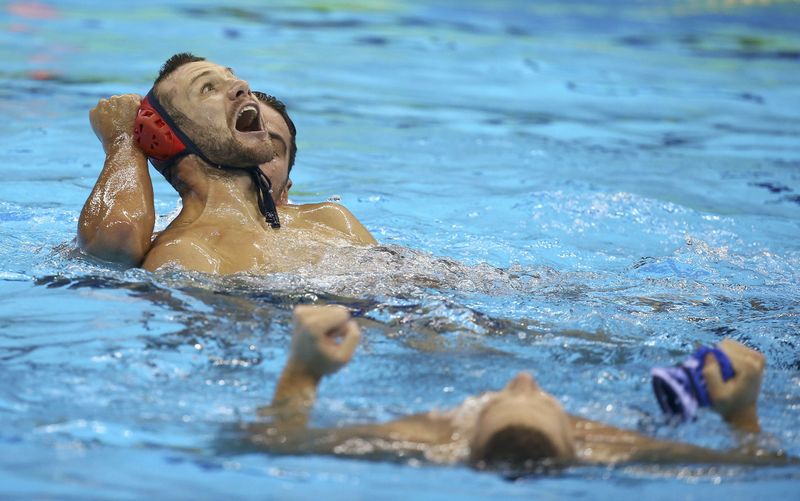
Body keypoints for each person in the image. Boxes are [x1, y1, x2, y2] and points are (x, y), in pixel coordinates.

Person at [244, 305, 792, 469]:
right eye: (544, 397)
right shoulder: (611, 448)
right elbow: (768, 467)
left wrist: (303, 372)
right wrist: (741, 417)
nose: (524, 377)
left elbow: (266, 447)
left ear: (461, 427)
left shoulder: (426, 438)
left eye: (500, 396)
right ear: (580, 437)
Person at [78, 53, 375, 272]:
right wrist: (123, 140)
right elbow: (116, 242)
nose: (242, 86)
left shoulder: (331, 218)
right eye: (208, 88)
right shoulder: (186, 255)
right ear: (167, 137)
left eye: (233, 78)